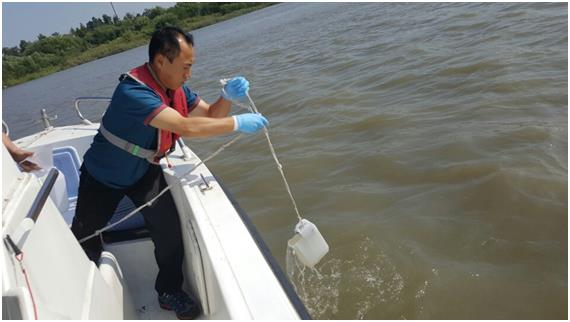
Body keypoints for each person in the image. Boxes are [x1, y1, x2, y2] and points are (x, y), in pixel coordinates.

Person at [70, 26, 268, 320]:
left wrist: (226, 97)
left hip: (143, 172)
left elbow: (211, 115)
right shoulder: (133, 92)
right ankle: (79, 293)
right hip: (102, 176)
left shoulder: (177, 90)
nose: (189, 74)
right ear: (162, 61)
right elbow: (186, 126)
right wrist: (238, 124)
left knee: (169, 232)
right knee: (84, 240)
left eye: (192, 67)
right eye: (185, 67)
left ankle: (168, 291)